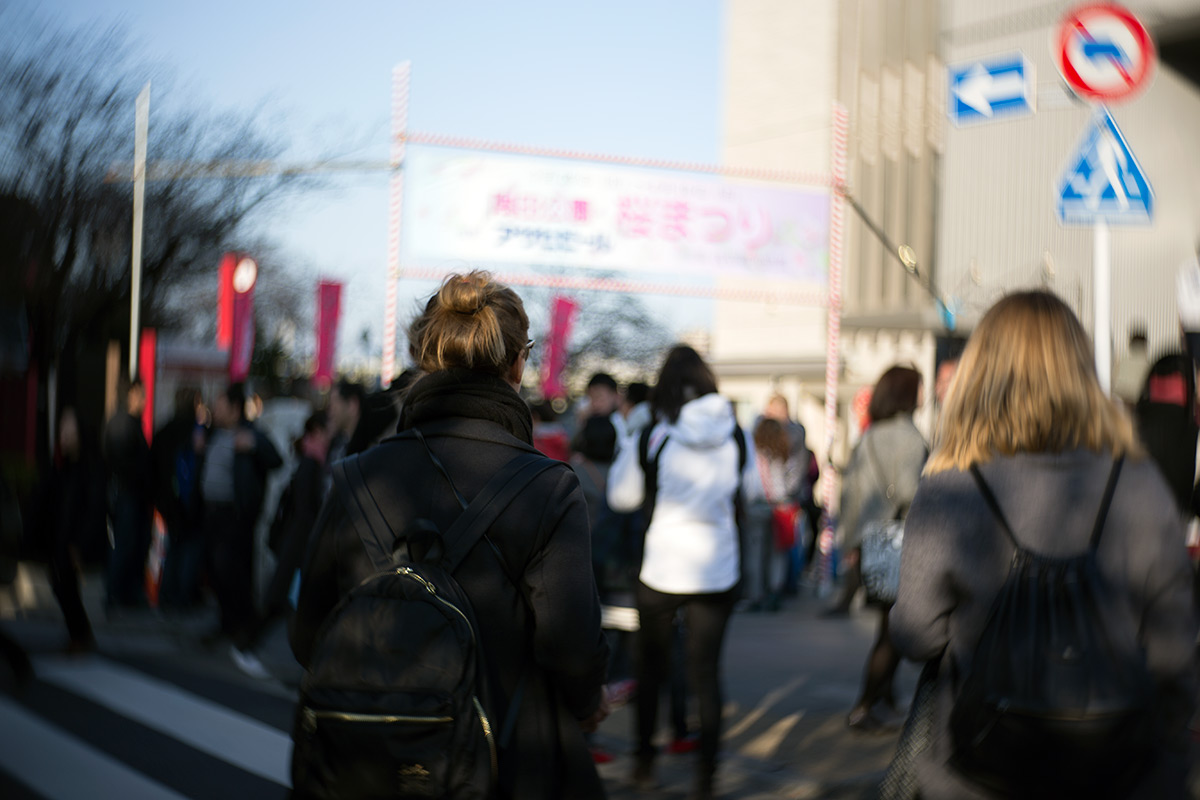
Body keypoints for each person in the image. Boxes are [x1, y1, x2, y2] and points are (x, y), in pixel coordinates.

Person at [291, 270, 610, 800]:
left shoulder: (356, 476)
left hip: (366, 764)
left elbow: (308, 636)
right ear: (518, 362)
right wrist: (588, 698)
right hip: (504, 762)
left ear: (424, 358)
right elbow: (569, 647)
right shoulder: (548, 488)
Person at [891, 290, 1198, 799]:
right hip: (1119, 768)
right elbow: (1173, 651)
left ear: (978, 375)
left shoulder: (950, 488)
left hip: (978, 766)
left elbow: (915, 636)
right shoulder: (1139, 485)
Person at [608, 344, 762, 800]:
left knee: (649, 671)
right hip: (718, 569)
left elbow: (623, 498)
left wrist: (626, 445)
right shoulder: (736, 433)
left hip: (661, 568)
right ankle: (706, 778)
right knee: (707, 675)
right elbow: (751, 490)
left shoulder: (654, 432)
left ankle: (643, 765)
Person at [832, 366, 926, 734]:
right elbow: (908, 491)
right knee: (893, 632)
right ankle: (865, 706)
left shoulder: (869, 436)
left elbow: (851, 495)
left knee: (889, 626)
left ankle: (885, 698)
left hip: (872, 541)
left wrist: (851, 543)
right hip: (899, 540)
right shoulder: (909, 437)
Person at [232, 411, 330, 679]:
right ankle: (245, 646)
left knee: (288, 605)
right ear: (318, 432)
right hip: (297, 547)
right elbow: (307, 511)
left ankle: (248, 646)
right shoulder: (312, 464)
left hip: (295, 546)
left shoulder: (309, 461)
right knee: (278, 603)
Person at [197, 383, 283, 657]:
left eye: (221, 406)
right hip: (211, 512)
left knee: (232, 570)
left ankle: (243, 625)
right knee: (215, 570)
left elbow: (276, 460)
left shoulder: (251, 434)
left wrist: (254, 445)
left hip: (235, 515)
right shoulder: (212, 433)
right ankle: (227, 623)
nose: (216, 410)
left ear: (235, 409)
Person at [36, 406, 106, 652]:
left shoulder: (90, 467)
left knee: (66, 586)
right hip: (59, 538)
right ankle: (79, 635)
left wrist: (80, 544)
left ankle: (81, 636)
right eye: (62, 427)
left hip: (75, 540)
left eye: (69, 428)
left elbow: (94, 509)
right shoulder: (62, 466)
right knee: (60, 585)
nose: (63, 433)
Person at [154, 388, 205, 613]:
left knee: (173, 547)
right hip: (190, 501)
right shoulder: (197, 433)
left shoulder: (165, 430)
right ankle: (183, 596)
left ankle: (166, 594)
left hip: (169, 500)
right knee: (190, 548)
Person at [103, 379, 153, 609]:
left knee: (129, 546)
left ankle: (123, 594)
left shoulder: (128, 423)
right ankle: (116, 594)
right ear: (131, 394)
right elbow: (123, 464)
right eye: (141, 395)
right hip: (127, 495)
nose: (144, 400)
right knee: (125, 545)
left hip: (131, 495)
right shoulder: (123, 424)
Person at [744, 417, 800, 612]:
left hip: (756, 507)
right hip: (779, 507)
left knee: (755, 553)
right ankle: (774, 592)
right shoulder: (783, 454)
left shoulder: (753, 454)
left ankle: (755, 594)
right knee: (777, 555)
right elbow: (787, 485)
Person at [325, 379, 364, 464]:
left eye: (334, 403)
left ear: (352, 404)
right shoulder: (339, 445)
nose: (330, 412)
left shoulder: (365, 453)